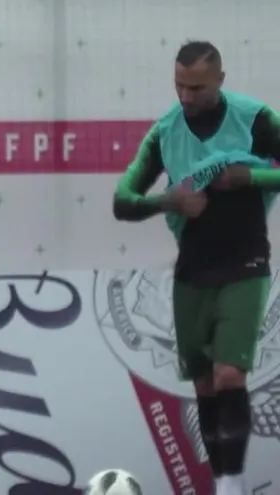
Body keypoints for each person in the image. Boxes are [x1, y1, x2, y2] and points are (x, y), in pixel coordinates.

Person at [113, 41, 280, 495]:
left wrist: (251, 178)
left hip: (246, 262)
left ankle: (232, 482)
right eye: (179, 86)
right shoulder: (164, 132)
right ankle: (222, 479)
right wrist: (170, 199)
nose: (185, 97)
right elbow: (122, 202)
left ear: (221, 81)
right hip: (193, 269)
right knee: (206, 385)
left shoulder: (256, 118)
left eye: (197, 87)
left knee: (230, 374)